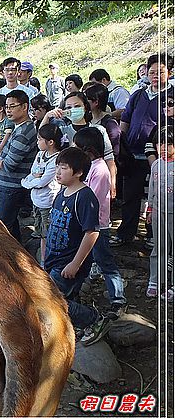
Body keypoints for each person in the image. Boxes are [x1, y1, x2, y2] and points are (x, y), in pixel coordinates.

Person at [45, 146, 110, 345]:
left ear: (79, 172)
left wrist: (75, 263)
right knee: (65, 296)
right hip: (54, 259)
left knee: (50, 299)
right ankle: (76, 327)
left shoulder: (84, 197)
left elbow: (92, 232)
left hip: (69, 261)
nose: (58, 172)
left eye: (63, 168)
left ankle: (94, 320)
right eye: (57, 167)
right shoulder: (62, 194)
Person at [111, 53, 174, 246]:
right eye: (152, 72)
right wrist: (121, 142)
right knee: (131, 196)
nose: (155, 76)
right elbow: (126, 119)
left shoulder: (171, 97)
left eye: (160, 72)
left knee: (158, 197)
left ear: (169, 73)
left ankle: (154, 235)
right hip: (133, 155)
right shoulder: (139, 94)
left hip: (159, 156)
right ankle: (125, 233)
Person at [73, 127, 128, 317]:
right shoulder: (89, 167)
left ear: (87, 149)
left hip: (97, 225)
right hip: (86, 224)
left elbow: (91, 198)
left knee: (105, 262)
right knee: (86, 260)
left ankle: (118, 299)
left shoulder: (100, 170)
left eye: (77, 146)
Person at [0, 89, 37, 242]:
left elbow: (8, 165)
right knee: (10, 224)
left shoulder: (24, 132)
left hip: (10, 186)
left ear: (25, 107)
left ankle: (8, 260)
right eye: (6, 107)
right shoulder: (19, 128)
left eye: (12, 106)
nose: (8, 110)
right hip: (8, 185)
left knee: (2, 226)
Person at [40, 92, 117, 200]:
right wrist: (47, 116)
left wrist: (112, 183)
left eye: (77, 106)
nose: (73, 109)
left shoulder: (98, 130)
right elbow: (42, 139)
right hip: (68, 186)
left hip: (95, 181)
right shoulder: (62, 131)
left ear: (85, 107)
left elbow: (109, 159)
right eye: (68, 107)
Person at [21, 124, 64, 267]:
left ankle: (47, 262)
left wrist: (27, 182)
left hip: (47, 201)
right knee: (39, 231)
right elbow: (33, 171)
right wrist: (33, 177)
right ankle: (43, 259)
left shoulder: (56, 160)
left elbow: (42, 181)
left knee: (48, 233)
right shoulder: (40, 154)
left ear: (50, 142)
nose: (37, 142)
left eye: (40, 139)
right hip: (36, 200)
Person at [146, 125, 174, 300]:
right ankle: (155, 280)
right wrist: (149, 210)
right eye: (160, 143)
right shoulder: (156, 164)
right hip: (158, 212)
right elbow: (152, 189)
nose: (163, 148)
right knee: (159, 247)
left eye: (168, 144)